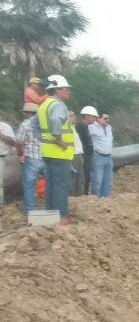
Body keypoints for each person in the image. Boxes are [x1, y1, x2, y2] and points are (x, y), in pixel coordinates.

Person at [37, 75, 75, 220]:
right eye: (67, 89)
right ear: (58, 89)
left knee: (51, 185)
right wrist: (61, 142)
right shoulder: (58, 105)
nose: (68, 92)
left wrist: (42, 138)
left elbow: (35, 126)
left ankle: (49, 216)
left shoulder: (44, 105)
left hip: (47, 152)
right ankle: (61, 217)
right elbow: (55, 123)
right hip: (59, 152)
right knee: (61, 185)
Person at [15, 102, 43, 213]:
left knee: (29, 185)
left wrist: (19, 153)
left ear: (27, 113)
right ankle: (53, 207)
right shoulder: (44, 123)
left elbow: (19, 142)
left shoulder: (25, 124)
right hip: (46, 157)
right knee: (50, 183)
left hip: (31, 158)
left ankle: (29, 210)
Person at [87, 109, 114, 197]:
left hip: (108, 157)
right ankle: (95, 201)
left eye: (108, 118)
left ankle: (105, 201)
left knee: (107, 182)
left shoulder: (109, 127)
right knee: (97, 182)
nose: (107, 120)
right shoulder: (91, 127)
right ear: (98, 118)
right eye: (105, 118)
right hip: (98, 157)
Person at [75, 106, 97, 195]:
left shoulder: (86, 127)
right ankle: (82, 196)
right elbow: (81, 142)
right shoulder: (80, 127)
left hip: (87, 156)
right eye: (93, 116)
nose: (94, 118)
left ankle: (84, 195)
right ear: (87, 116)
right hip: (83, 156)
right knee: (84, 178)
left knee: (87, 178)